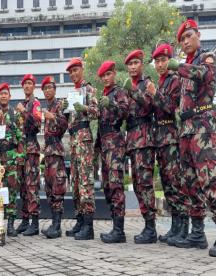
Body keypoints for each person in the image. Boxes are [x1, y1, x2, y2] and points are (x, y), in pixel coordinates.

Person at [167, 19, 216, 257]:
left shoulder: (207, 57)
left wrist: (177, 67)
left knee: (210, 180)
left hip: (202, 128)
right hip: (185, 131)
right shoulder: (184, 67)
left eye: (188, 36)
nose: (185, 42)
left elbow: (204, 75)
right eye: (182, 39)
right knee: (190, 183)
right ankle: (197, 232)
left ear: (198, 35)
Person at [147, 44, 190, 246]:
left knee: (176, 184)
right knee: (167, 185)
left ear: (169, 60)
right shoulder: (162, 82)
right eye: (157, 61)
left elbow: (171, 108)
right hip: (160, 138)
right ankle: (175, 226)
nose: (160, 64)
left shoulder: (173, 80)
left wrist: (155, 93)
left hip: (171, 136)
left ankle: (184, 228)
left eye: (163, 60)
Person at [124, 50, 158, 244]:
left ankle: (151, 227)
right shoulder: (128, 87)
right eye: (130, 64)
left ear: (142, 65)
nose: (133, 66)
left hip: (144, 136)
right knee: (137, 183)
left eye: (136, 63)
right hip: (132, 138)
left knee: (145, 182)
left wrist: (133, 92)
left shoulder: (146, 84)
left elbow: (148, 107)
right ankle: (147, 223)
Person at [64, 58, 99, 240]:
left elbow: (96, 111)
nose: (73, 74)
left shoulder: (89, 89)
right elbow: (69, 120)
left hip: (84, 137)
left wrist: (84, 107)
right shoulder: (73, 92)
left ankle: (88, 225)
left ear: (82, 70)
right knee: (76, 182)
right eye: (70, 72)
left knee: (86, 181)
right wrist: (65, 110)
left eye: (75, 70)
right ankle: (79, 219)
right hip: (73, 139)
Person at [96, 61, 128, 243]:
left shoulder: (118, 93)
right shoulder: (104, 95)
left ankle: (119, 230)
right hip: (104, 146)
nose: (106, 78)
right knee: (107, 186)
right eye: (103, 76)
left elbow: (124, 112)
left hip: (115, 143)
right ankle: (115, 225)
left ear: (114, 74)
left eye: (108, 74)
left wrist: (112, 104)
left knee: (116, 185)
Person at [0, 83, 23, 237]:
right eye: (1, 94)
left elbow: (20, 135)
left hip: (10, 157)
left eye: (6, 94)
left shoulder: (14, 114)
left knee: (12, 190)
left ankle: (11, 224)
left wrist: (19, 156)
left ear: (9, 97)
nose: (3, 96)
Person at [40, 76, 68, 239]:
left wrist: (53, 117)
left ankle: (57, 226)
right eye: (45, 88)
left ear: (55, 89)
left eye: (50, 87)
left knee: (57, 187)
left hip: (56, 151)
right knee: (50, 188)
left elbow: (64, 124)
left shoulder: (59, 105)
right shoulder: (48, 106)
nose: (48, 90)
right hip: (49, 152)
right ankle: (53, 223)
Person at [15, 74, 42, 236]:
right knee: (23, 187)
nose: (27, 86)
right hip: (21, 149)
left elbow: (37, 124)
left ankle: (35, 222)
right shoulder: (23, 104)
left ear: (33, 86)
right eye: (24, 84)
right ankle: (25, 220)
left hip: (31, 147)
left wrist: (24, 111)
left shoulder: (35, 103)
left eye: (30, 83)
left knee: (32, 185)